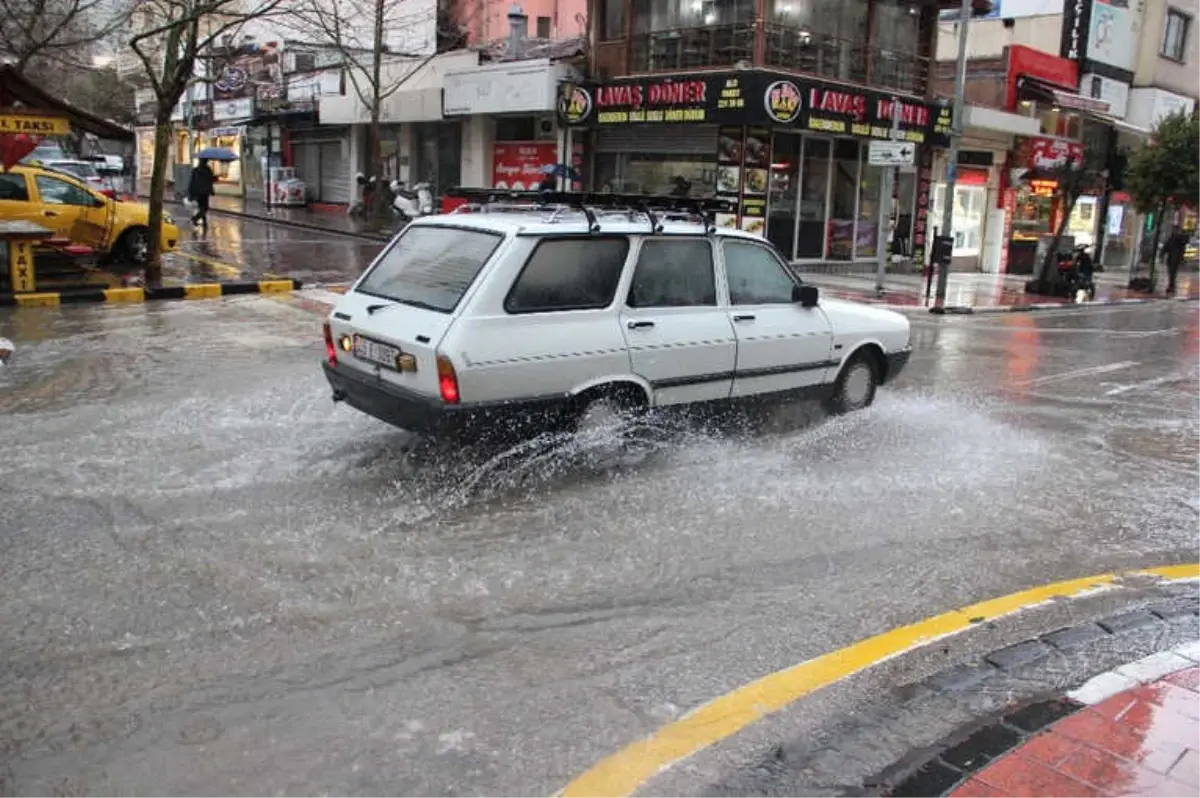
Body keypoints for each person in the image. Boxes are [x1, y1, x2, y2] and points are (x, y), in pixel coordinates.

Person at [1161, 224, 1188, 295]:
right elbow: (1166, 246)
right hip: (1171, 258)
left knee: (1173, 273)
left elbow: (1184, 243)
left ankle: (1171, 287)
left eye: (1175, 230)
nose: (1174, 231)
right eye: (1173, 230)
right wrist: (1162, 254)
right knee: (1171, 273)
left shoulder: (1180, 238)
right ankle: (1171, 286)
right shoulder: (1172, 238)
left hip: (1176, 258)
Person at [188, 159, 215, 228]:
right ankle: (195, 218)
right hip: (204, 192)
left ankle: (204, 222)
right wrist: (217, 177)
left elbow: (192, 182)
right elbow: (211, 179)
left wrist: (191, 192)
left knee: (201, 207)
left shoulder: (195, 170)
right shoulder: (208, 170)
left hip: (197, 192)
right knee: (205, 208)